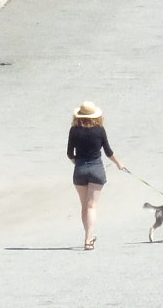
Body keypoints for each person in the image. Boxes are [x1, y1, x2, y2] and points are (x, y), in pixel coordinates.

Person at [67, 101, 126, 251]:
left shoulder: (74, 130)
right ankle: (89, 239)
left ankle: (88, 237)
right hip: (96, 170)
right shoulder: (99, 130)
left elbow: (69, 154)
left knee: (84, 206)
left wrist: (79, 163)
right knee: (92, 206)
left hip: (79, 170)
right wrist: (119, 164)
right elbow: (108, 152)